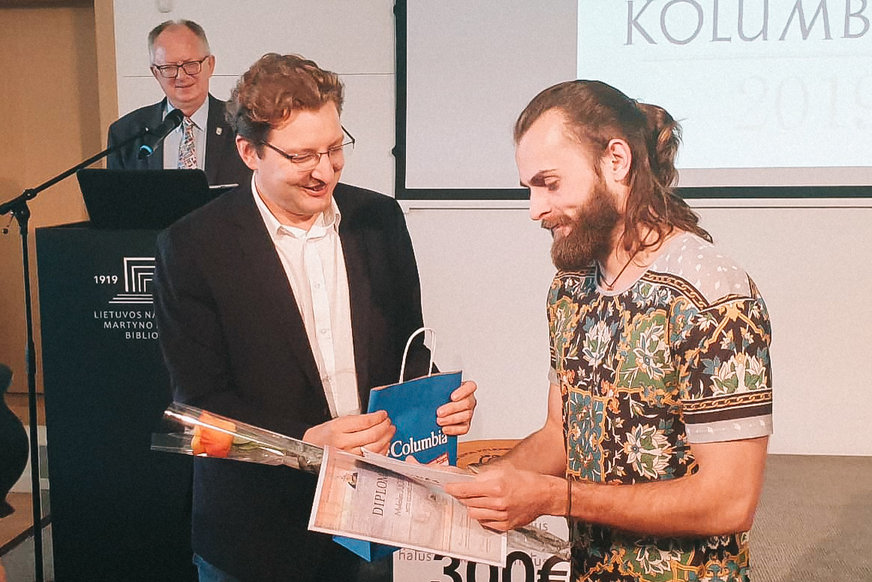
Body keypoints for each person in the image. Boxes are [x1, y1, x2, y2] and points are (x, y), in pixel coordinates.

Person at [153, 53, 477, 582]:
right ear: (249, 152)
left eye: (334, 148)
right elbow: (201, 406)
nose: (324, 171)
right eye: (303, 155)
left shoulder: (379, 219)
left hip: (371, 519)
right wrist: (303, 444)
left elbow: (408, 345)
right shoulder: (193, 246)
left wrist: (436, 400)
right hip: (255, 533)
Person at [446, 80, 773, 581]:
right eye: (529, 188)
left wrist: (555, 497)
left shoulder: (711, 294)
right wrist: (478, 486)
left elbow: (729, 501)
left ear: (616, 160)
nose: (534, 209)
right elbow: (560, 434)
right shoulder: (570, 287)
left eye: (550, 183)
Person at [107, 20, 250, 186]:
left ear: (210, 65)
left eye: (191, 65)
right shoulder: (127, 133)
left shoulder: (244, 125)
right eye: (168, 68)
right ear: (155, 73)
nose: (181, 76)